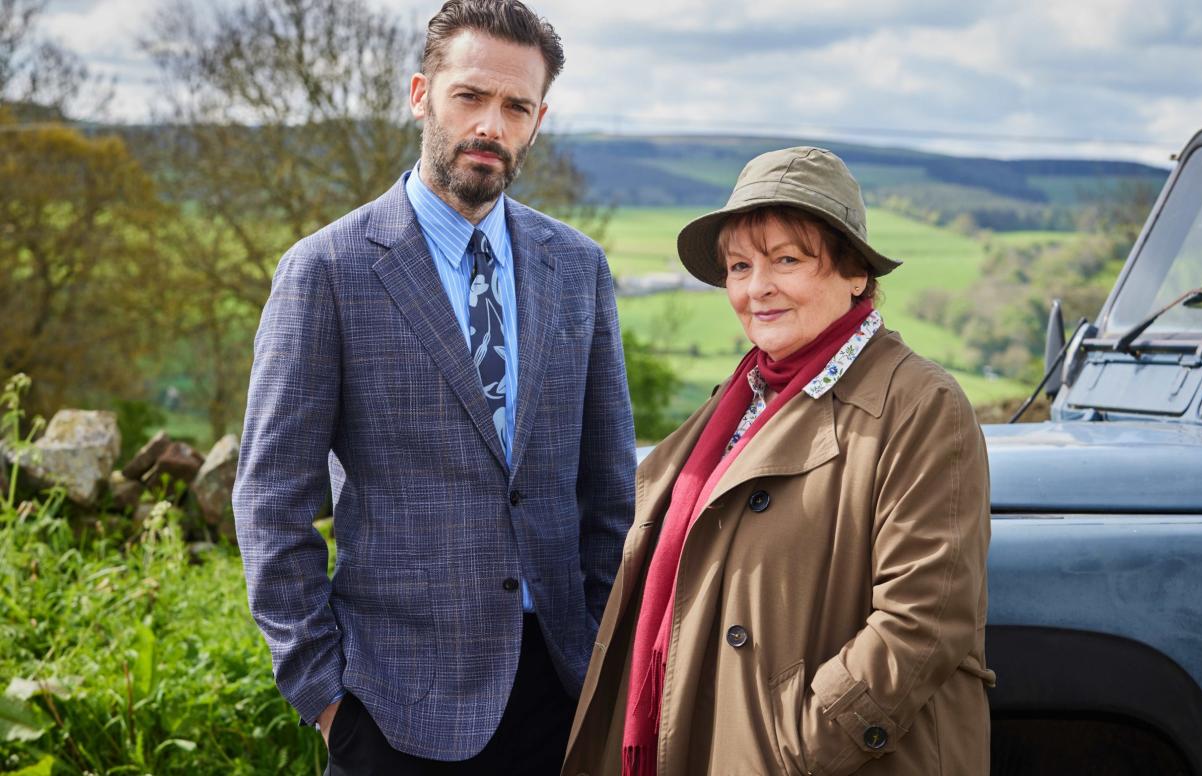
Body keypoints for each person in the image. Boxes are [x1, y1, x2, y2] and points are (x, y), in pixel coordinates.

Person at [232, 1, 635, 773]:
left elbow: (608, 488)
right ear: (421, 94)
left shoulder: (577, 268)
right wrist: (324, 697)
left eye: (515, 106)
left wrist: (597, 657)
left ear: (537, 119)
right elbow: (269, 501)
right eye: (470, 96)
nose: (490, 123)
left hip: (560, 694)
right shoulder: (326, 272)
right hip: (391, 708)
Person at [563, 147, 995, 776]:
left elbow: (924, 622)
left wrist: (791, 747)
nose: (756, 288)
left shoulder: (921, 404)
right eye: (739, 266)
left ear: (854, 273)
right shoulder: (737, 404)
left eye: (786, 261)